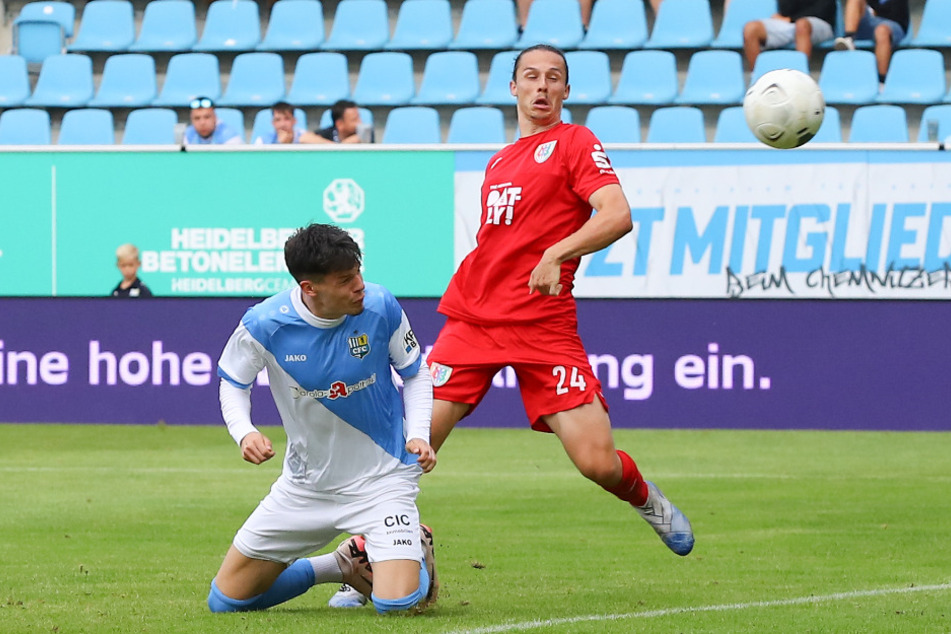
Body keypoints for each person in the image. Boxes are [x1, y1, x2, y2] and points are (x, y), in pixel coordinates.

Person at [330, 43, 693, 609]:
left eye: (554, 78)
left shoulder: (576, 142)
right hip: (473, 319)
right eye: (531, 77)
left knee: (597, 462)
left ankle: (646, 499)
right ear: (514, 88)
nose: (542, 86)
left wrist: (558, 252)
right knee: (409, 448)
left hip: (543, 325)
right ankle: (383, 559)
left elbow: (617, 214)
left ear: (566, 92)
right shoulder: (499, 162)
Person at [208, 223, 438, 615]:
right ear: (309, 288)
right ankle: (341, 565)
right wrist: (244, 432)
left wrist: (418, 434)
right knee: (226, 601)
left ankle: (414, 545)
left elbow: (415, 372)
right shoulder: (265, 324)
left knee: (396, 605)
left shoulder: (381, 306)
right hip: (306, 487)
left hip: (383, 480)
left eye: (359, 272)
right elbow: (233, 382)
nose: (359, 285)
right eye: (346, 280)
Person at [742, 0, 836, 70]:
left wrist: (792, 19)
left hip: (821, 23)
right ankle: (757, 80)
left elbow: (823, 10)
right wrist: (791, 19)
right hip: (791, 23)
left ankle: (800, 77)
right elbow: (785, 10)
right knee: (751, 28)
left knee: (802, 25)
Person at [833, 0, 909, 86]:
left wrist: (874, 11)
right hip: (871, 24)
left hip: (893, 25)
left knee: (881, 31)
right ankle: (849, 38)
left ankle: (881, 82)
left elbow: (895, 12)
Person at [301, 99, 373, 144]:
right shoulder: (328, 133)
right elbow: (304, 138)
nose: (359, 122)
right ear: (340, 124)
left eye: (359, 117)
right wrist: (339, 146)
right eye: (354, 120)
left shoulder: (364, 133)